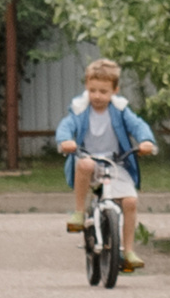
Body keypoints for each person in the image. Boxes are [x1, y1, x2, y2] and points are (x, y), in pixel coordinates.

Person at [54, 58, 155, 271]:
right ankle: (79, 212)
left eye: (103, 91)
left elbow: (138, 125)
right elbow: (66, 125)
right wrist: (65, 141)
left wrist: (146, 141)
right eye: (93, 90)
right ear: (86, 88)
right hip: (87, 159)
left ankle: (127, 251)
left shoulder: (120, 110)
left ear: (115, 90)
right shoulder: (80, 109)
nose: (97, 96)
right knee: (86, 164)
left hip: (115, 163)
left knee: (129, 202)